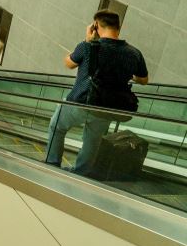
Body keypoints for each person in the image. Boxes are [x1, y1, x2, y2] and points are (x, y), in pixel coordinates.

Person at [45, 11, 148, 175]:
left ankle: (51, 164)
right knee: (92, 142)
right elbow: (143, 79)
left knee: (57, 127)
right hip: (106, 108)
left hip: (79, 101)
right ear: (118, 28)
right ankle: (80, 173)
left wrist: (87, 39)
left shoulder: (88, 46)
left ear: (96, 26)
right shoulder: (134, 53)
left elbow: (69, 63)